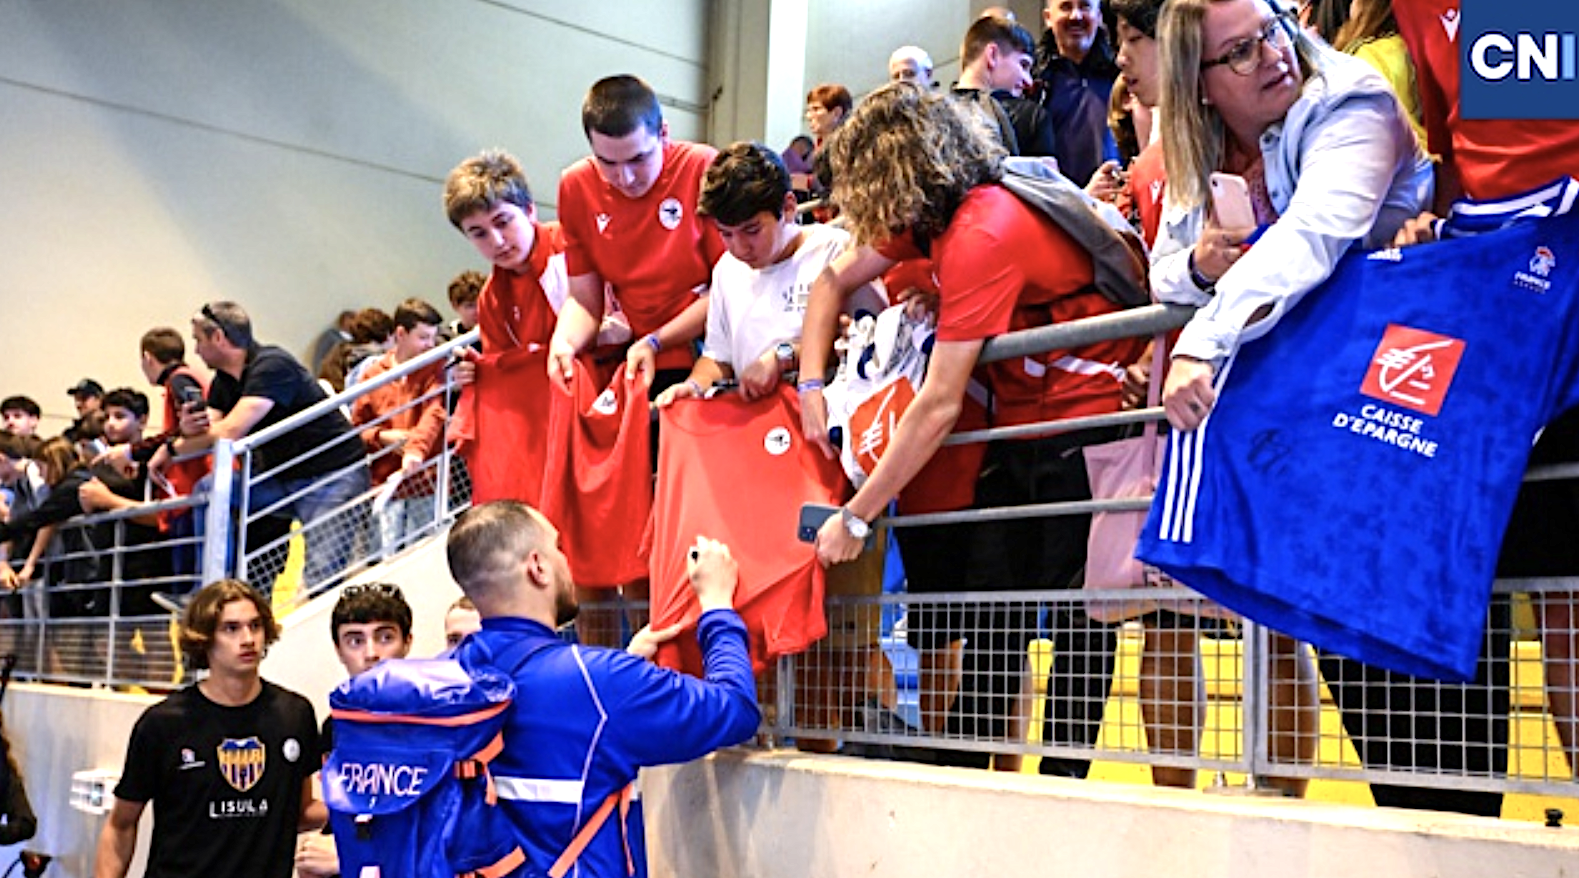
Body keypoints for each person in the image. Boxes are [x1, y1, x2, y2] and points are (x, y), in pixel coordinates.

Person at [801, 82, 1147, 774]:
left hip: (1085, 418)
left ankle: (1060, 785)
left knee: (1078, 620)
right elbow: (830, 281)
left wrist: (857, 516)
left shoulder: (982, 230)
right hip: (1016, 421)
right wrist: (812, 384)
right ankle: (961, 769)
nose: (849, 216)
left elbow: (937, 404)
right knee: (995, 611)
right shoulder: (931, 217)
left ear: (887, 177)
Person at [1148, 0, 1431, 793]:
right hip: (1309, 427)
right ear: (1197, 85)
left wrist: (1202, 336)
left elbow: (1312, 236)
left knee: (1395, 666)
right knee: (1311, 636)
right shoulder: (1202, 144)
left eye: (1269, 31)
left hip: (1398, 406)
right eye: (1237, 53)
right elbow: (1160, 270)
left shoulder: (1353, 100)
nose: (1270, 55)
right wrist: (1203, 265)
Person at [1393, 0, 1579, 796]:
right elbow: (1460, 156)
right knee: (1546, 588)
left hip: (1548, 287)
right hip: (1500, 310)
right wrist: (1431, 228)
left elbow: (1539, 159)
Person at [446, 500, 758, 878]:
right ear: (538, 567)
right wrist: (717, 606)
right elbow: (735, 710)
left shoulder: (440, 678)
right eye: (557, 547)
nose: (565, 560)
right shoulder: (601, 682)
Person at [95, 579, 324, 878]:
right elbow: (121, 824)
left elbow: (298, 812)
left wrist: (374, 802)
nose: (248, 638)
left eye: (255, 626)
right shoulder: (163, 724)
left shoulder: (295, 714)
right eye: (231, 628)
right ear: (204, 638)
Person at [173, 301, 370, 597]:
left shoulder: (273, 365)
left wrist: (183, 443)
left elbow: (228, 432)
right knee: (210, 487)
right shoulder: (224, 382)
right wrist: (183, 437)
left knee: (321, 579)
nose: (196, 351)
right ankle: (213, 589)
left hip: (332, 477)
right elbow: (202, 436)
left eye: (199, 340)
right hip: (283, 480)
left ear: (219, 338)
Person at [547, 75, 725, 399]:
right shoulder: (576, 186)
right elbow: (584, 301)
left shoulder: (703, 167)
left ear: (664, 134)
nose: (624, 177)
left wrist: (658, 340)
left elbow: (729, 288)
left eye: (638, 159)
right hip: (635, 354)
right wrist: (563, 342)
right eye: (607, 163)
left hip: (707, 347)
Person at [295, 582, 414, 878]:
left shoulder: (434, 723)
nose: (371, 653)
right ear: (338, 649)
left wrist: (350, 855)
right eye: (355, 640)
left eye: (385, 637)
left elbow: (440, 829)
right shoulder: (334, 725)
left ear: (407, 642)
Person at [349, 297, 447, 554]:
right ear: (401, 333)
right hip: (386, 482)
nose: (430, 346)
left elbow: (434, 413)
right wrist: (382, 437)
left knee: (427, 554)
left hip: (427, 480)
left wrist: (414, 449)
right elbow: (356, 428)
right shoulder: (371, 375)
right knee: (386, 558)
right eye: (423, 338)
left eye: (433, 338)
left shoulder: (435, 368)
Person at [1024, 0, 1122, 187]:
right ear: (1048, 18)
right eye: (1066, 6)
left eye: (1085, 6)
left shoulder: (1122, 74)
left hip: (1118, 204)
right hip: (1057, 208)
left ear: (1099, 17)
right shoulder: (1032, 81)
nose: (1076, 16)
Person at [952, 14, 1042, 155]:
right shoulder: (1031, 116)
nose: (1028, 81)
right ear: (992, 55)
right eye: (1023, 65)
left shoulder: (928, 116)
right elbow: (1045, 174)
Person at [444, 270, 485, 346]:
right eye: (470, 306)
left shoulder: (501, 334)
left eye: (482, 304)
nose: (478, 311)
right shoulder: (445, 339)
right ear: (455, 306)